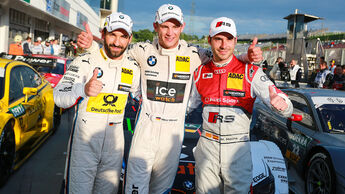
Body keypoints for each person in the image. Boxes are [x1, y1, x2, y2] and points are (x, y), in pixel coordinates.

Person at [77, 4, 263, 193]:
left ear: (182, 27)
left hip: (173, 133)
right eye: (165, 26)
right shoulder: (142, 50)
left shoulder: (195, 54)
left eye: (175, 26)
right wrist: (92, 45)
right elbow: (114, 51)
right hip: (145, 129)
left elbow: (223, 56)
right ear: (155, 26)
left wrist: (246, 56)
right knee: (135, 189)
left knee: (162, 190)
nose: (170, 32)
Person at [187, 17, 293, 193]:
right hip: (207, 146)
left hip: (237, 148)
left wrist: (281, 105)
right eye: (218, 39)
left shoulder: (250, 71)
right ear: (209, 40)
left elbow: (286, 108)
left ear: (236, 41)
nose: (223, 45)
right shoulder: (200, 72)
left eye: (229, 39)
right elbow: (186, 107)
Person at [53, 12, 140, 194]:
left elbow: (142, 95)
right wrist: (82, 89)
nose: (117, 42)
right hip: (84, 144)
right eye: (112, 35)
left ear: (130, 38)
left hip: (114, 147)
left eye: (123, 36)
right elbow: (58, 96)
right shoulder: (85, 60)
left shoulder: (133, 68)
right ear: (103, 34)